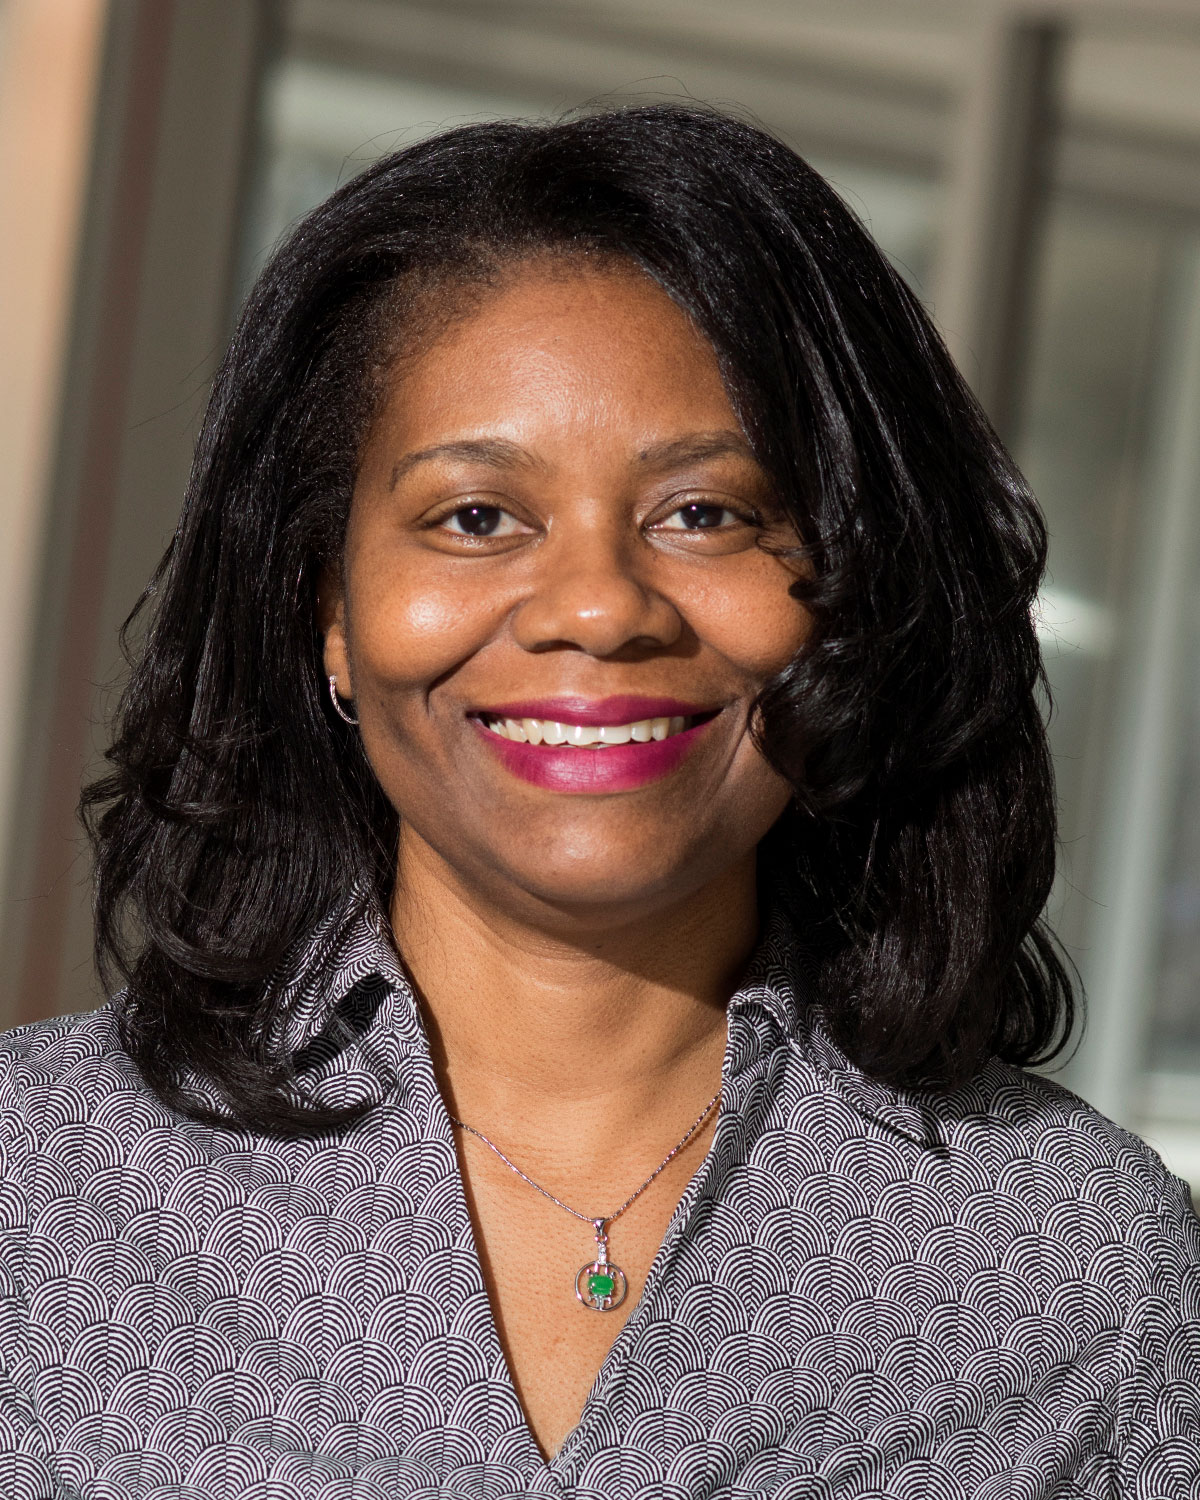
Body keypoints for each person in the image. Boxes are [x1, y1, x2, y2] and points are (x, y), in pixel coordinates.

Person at [1, 102, 1197, 1500]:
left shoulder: (1085, 1277)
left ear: (855, 600)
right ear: (326, 608)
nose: (597, 608)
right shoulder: (33, 1194)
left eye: (706, 513)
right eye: (474, 517)